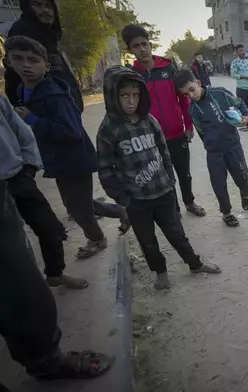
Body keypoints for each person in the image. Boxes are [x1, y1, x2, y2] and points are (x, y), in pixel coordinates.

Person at [96, 66, 221, 290]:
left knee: (177, 233)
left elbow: (164, 151)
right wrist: (123, 198)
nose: (131, 101)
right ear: (112, 96)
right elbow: (105, 170)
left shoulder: (149, 120)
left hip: (163, 192)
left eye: (136, 95)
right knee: (148, 242)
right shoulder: (108, 130)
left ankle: (194, 263)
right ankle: (160, 273)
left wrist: (170, 181)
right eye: (124, 95)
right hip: (136, 201)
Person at [6, 36, 129, 260]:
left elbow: (71, 131)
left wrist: (32, 119)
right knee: (75, 203)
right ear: (9, 62)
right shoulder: (24, 90)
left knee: (77, 208)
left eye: (33, 60)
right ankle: (119, 211)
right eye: (18, 59)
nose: (26, 65)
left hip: (73, 160)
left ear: (46, 65)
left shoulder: (54, 95)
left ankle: (97, 238)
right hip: (58, 160)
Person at [0, 180, 114, 386]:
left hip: (13, 174)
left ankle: (45, 360)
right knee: (15, 276)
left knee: (44, 235)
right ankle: (46, 361)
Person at [0, 92, 88, 290]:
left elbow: (23, 134)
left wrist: (29, 167)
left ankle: (55, 274)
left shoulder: (1, 102)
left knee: (51, 229)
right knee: (13, 246)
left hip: (17, 178)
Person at [121, 24, 206, 217]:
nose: (142, 49)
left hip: (177, 133)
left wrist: (189, 125)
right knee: (163, 177)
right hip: (151, 139)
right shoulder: (132, 75)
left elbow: (183, 99)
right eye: (136, 46)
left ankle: (190, 202)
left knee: (184, 173)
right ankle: (172, 208)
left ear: (150, 44)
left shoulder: (168, 67)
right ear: (130, 50)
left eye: (144, 44)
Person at [174, 69, 248, 228]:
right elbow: (201, 130)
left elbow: (240, 104)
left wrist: (245, 116)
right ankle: (227, 213)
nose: (190, 96)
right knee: (218, 184)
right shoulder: (193, 110)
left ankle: (245, 194)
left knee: (243, 178)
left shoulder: (219, 93)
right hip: (214, 153)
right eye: (185, 94)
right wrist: (210, 144)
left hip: (233, 147)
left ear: (198, 83)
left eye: (191, 90)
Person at [4, 0, 83, 113]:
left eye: (49, 6)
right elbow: (13, 75)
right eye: (37, 4)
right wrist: (26, 111)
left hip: (66, 112)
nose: (45, 10)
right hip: (47, 118)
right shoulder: (23, 31)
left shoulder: (48, 35)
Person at [230, 44, 248, 131]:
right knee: (240, 107)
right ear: (237, 52)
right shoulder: (235, 63)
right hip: (241, 88)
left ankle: (247, 124)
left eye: (243, 50)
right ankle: (240, 124)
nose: (242, 52)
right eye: (240, 51)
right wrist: (244, 77)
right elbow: (233, 75)